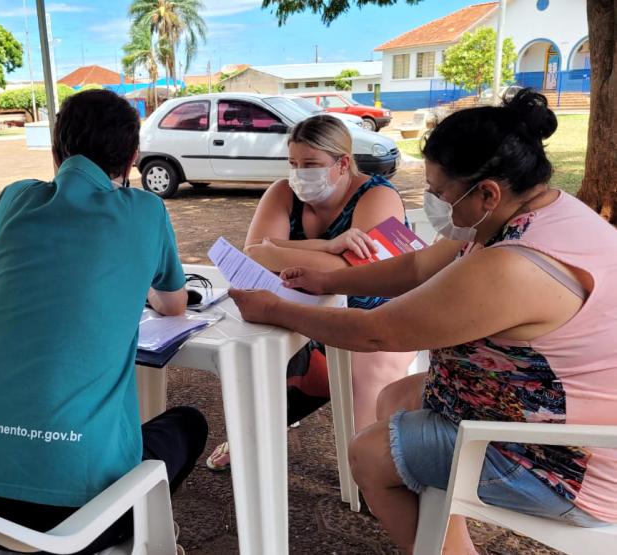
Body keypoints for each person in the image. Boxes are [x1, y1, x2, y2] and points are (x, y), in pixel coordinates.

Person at [229, 89, 617, 554]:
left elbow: (377, 332)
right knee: (394, 397)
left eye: (438, 192)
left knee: (368, 455)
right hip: (542, 414)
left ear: (487, 193)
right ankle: (442, 529)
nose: (432, 202)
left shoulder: (514, 264)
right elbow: (416, 267)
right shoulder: (536, 213)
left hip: (564, 463)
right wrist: (321, 279)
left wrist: (275, 309)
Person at [0, 89, 208, 555]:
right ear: (132, 157)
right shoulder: (146, 210)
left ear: (55, 151)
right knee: (189, 424)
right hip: (76, 518)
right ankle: (146, 535)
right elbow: (172, 306)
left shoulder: (13, 200)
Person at [206, 115, 415, 470]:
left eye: (311, 164)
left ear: (343, 163)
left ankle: (366, 474)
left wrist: (278, 251)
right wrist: (330, 247)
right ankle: (256, 430)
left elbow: (357, 273)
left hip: (377, 315)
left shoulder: (378, 195)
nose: (299, 173)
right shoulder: (283, 192)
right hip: (303, 307)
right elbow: (253, 254)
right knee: (250, 348)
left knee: (363, 375)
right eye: (293, 163)